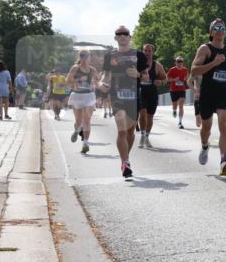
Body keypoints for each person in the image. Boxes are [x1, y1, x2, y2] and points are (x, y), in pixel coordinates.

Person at [190, 19, 226, 176]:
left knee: (223, 125)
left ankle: (223, 162)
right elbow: (194, 71)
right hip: (207, 93)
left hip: (223, 92)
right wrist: (213, 63)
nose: (220, 30)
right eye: (216, 28)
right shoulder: (205, 49)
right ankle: (204, 146)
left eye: (223, 27)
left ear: (225, 32)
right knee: (206, 128)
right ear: (211, 32)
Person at [101, 26, 147, 179]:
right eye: (119, 34)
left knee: (130, 132)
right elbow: (106, 76)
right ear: (115, 38)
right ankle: (125, 162)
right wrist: (103, 84)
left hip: (134, 97)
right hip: (117, 96)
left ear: (130, 37)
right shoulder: (110, 56)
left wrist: (138, 74)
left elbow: (146, 77)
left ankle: (126, 156)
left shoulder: (139, 55)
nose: (122, 36)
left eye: (125, 34)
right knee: (121, 130)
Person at [66, 50, 98, 153]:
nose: (84, 57)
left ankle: (85, 143)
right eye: (82, 55)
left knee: (87, 120)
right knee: (78, 121)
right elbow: (67, 81)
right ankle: (77, 131)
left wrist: (97, 85)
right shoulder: (75, 68)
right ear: (80, 57)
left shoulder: (92, 70)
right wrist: (78, 79)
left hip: (89, 96)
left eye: (86, 55)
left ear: (89, 57)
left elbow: (97, 81)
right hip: (77, 96)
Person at [137, 43, 166, 148]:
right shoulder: (137, 64)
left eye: (149, 51)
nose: (147, 53)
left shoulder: (157, 66)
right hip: (141, 92)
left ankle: (147, 137)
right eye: (145, 50)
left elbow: (165, 79)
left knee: (150, 117)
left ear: (153, 52)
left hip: (152, 93)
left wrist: (161, 82)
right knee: (142, 113)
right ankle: (142, 135)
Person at [167, 55, 190, 128]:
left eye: (181, 61)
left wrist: (186, 79)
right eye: (178, 61)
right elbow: (167, 79)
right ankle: (174, 110)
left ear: (183, 62)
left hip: (182, 90)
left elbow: (187, 78)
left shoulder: (185, 70)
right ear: (175, 62)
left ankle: (180, 122)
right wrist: (174, 79)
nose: (180, 63)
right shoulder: (172, 70)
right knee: (175, 105)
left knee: (181, 106)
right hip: (173, 90)